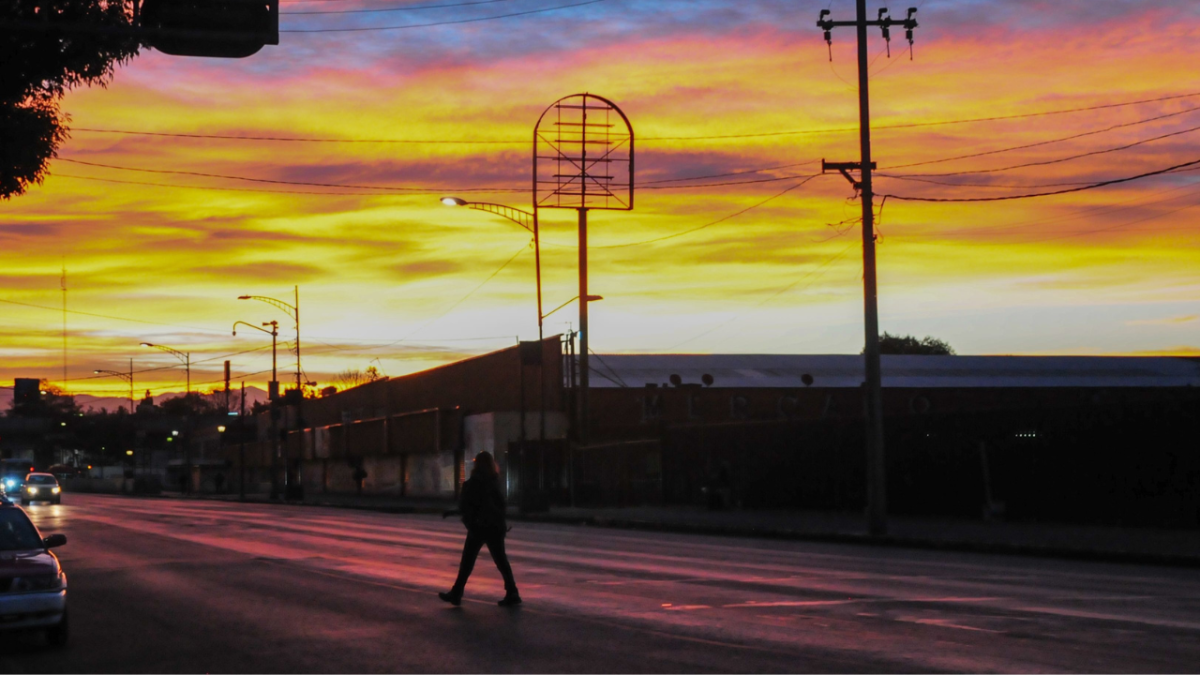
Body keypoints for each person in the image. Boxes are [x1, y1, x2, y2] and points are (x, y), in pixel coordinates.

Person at [439, 451, 521, 607]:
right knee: (501, 561)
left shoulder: (472, 483)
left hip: (478, 527)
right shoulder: (493, 481)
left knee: (467, 562)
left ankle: (456, 593)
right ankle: (512, 591)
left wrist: (452, 512)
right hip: (494, 527)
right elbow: (501, 505)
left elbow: (466, 506)